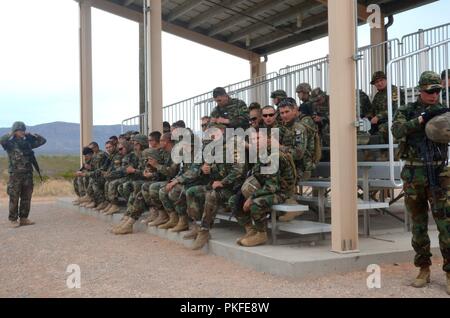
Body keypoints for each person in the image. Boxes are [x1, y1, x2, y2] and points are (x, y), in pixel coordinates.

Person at [391, 71, 450, 295]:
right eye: (430, 91)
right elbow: (396, 130)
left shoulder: (445, 111)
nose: (434, 95)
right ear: (420, 90)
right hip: (414, 172)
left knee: (446, 224)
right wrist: (422, 119)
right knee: (418, 225)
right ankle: (423, 269)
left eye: (437, 91)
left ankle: (449, 272)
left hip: (439, 171)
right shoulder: (407, 111)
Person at [0, 121, 46, 227]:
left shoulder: (27, 143)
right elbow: (1, 140)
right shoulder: (10, 144)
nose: (22, 132)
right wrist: (11, 133)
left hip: (28, 174)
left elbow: (43, 141)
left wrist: (31, 135)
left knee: (26, 197)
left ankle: (24, 218)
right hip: (15, 175)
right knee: (14, 197)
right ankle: (13, 219)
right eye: (19, 130)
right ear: (15, 131)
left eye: (23, 130)